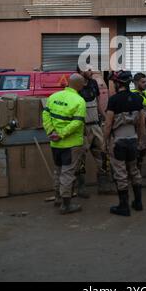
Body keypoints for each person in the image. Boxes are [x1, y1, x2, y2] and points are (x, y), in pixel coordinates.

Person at [42, 74, 86, 215]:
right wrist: (61, 134)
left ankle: (57, 198)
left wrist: (51, 131)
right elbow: (77, 122)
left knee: (58, 171)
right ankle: (66, 205)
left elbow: (45, 115)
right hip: (71, 144)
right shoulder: (79, 101)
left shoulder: (53, 96)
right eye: (83, 84)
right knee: (67, 173)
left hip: (55, 144)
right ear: (79, 85)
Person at [104, 70, 145, 217]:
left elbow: (108, 124)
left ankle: (124, 206)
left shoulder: (113, 100)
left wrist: (105, 142)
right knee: (134, 171)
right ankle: (138, 203)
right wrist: (140, 141)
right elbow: (141, 124)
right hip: (133, 140)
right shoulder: (137, 98)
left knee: (121, 174)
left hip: (119, 142)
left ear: (117, 83)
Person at [76, 66, 115, 198]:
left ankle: (104, 186)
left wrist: (106, 119)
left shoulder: (93, 83)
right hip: (82, 128)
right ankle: (81, 188)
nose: (91, 72)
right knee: (80, 158)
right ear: (80, 72)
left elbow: (98, 104)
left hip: (95, 125)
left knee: (103, 154)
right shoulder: (75, 86)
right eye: (88, 69)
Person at [131, 72, 146, 173]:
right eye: (143, 82)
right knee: (137, 150)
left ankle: (138, 171)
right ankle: (134, 173)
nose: (145, 84)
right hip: (138, 129)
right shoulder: (133, 95)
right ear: (135, 82)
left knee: (143, 150)